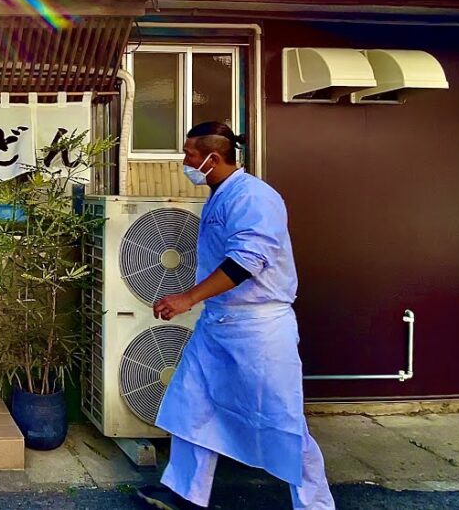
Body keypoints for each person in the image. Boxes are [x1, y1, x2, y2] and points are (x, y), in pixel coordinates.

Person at [136, 122, 334, 510]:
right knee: (191, 403)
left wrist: (186, 298)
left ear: (213, 157)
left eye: (190, 155)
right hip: (219, 322)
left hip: (259, 328)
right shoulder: (222, 194)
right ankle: (184, 493)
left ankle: (314, 504)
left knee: (283, 421)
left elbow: (248, 260)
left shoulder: (255, 197)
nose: (185, 162)